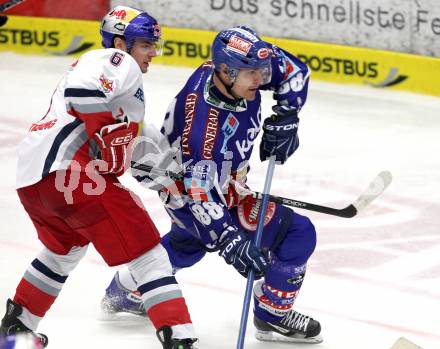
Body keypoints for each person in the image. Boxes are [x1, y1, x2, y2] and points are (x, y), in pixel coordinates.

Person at [102, 26, 322, 344]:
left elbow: (292, 71)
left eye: (260, 72)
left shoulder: (235, 71)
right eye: (252, 75)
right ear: (225, 70)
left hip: (204, 181)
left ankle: (128, 289)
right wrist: (230, 241)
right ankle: (272, 314)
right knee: (298, 233)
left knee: (187, 245)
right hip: (191, 193)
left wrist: (287, 115)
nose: (260, 80)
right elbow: (200, 195)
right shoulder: (204, 132)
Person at [0, 6, 198, 349]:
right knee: (149, 254)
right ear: (121, 42)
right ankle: (179, 338)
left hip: (34, 181)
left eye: (154, 45)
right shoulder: (114, 60)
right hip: (71, 173)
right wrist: (106, 129)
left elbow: (144, 156)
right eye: (146, 45)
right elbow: (82, 93)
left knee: (63, 251)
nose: (153, 53)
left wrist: (185, 184)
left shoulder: (126, 99)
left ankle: (14, 331)